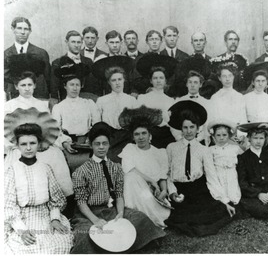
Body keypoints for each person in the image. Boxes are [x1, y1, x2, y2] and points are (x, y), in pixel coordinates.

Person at [71, 122, 166, 254]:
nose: (101, 147)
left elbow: (119, 195)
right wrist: (95, 220)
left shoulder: (115, 168)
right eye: (97, 144)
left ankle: (123, 244)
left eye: (105, 143)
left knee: (140, 219)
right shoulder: (81, 171)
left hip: (112, 210)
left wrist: (120, 213)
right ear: (91, 145)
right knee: (85, 235)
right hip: (89, 213)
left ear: (109, 145)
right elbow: (81, 202)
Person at [4, 54, 75, 217]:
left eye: (30, 84)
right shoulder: (9, 106)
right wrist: (10, 145)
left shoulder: (42, 105)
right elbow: (4, 131)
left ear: (35, 85)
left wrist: (63, 141)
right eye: (23, 85)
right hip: (18, 147)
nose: (27, 88)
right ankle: (22, 209)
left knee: (56, 156)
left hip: (41, 146)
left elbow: (51, 128)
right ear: (16, 86)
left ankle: (66, 207)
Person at [166, 101, 235, 237]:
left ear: (198, 129)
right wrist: (173, 193)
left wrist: (224, 201)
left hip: (198, 190)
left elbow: (211, 176)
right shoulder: (172, 148)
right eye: (185, 127)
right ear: (181, 129)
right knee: (181, 216)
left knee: (213, 212)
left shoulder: (204, 150)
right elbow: (168, 174)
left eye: (192, 127)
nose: (189, 131)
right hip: (181, 190)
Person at [4, 123, 73, 254]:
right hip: (22, 219)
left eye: (32, 143)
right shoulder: (12, 170)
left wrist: (55, 219)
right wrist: (21, 230)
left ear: (39, 144)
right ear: (17, 146)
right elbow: (8, 205)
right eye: (24, 144)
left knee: (60, 243)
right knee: (24, 248)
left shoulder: (45, 168)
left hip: (45, 216)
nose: (28, 148)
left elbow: (56, 199)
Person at [118, 106, 171, 228]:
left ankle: (149, 217)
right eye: (137, 134)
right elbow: (130, 170)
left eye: (144, 133)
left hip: (153, 194)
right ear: (133, 137)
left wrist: (163, 191)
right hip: (133, 191)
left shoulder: (159, 152)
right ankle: (134, 216)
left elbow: (163, 176)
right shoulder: (129, 149)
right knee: (130, 177)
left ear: (150, 135)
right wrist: (151, 180)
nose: (141, 137)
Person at [52, 59, 101, 172]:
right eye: (71, 85)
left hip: (88, 144)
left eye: (77, 85)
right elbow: (55, 130)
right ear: (65, 86)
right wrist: (64, 143)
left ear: (81, 86)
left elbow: (97, 125)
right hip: (68, 146)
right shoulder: (58, 107)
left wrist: (90, 139)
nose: (75, 88)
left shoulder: (89, 104)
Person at [92, 56, 137, 162]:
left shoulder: (131, 100)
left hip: (127, 137)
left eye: (119, 79)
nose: (117, 83)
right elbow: (97, 123)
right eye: (113, 80)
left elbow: (136, 122)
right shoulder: (102, 100)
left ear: (124, 80)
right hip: (110, 138)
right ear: (109, 82)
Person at [237, 122, 268, 220]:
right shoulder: (243, 158)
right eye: (255, 138)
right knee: (259, 209)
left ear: (265, 139)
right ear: (249, 138)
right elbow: (243, 182)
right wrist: (258, 194)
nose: (258, 141)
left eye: (261, 138)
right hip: (253, 193)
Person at [136, 53, 178, 148]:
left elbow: (172, 124)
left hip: (167, 136)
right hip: (150, 135)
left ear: (165, 80)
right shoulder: (143, 98)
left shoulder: (171, 100)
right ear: (151, 81)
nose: (158, 81)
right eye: (155, 78)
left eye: (161, 78)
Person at [4, 17, 51, 99]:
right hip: (15, 98)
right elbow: (4, 80)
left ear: (30, 31)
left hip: (38, 97)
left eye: (26, 29)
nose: (22, 32)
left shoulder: (41, 53)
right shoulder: (5, 55)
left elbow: (48, 78)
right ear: (13, 29)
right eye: (19, 28)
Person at [50, 30, 98, 100]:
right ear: (67, 42)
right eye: (73, 42)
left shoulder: (88, 62)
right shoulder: (57, 63)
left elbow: (93, 85)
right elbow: (54, 89)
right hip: (66, 103)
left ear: (82, 43)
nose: (76, 45)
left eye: (78, 42)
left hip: (86, 102)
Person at [208, 119, 242, 205]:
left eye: (224, 135)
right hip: (218, 174)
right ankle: (223, 202)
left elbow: (244, 157)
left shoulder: (235, 148)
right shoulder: (211, 150)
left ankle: (234, 202)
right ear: (214, 136)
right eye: (218, 135)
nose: (221, 138)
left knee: (233, 190)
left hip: (231, 173)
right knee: (220, 190)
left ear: (229, 135)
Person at [173, 70, 211, 145]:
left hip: (200, 139)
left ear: (200, 85)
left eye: (195, 82)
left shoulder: (206, 103)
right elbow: (173, 121)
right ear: (186, 84)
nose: (192, 85)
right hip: (182, 139)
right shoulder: (179, 101)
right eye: (190, 82)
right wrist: (179, 138)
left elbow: (208, 123)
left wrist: (199, 139)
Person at [209, 63, 247, 127]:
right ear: (219, 78)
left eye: (230, 76)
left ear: (233, 77)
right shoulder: (215, 97)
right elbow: (212, 119)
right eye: (224, 76)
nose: (227, 79)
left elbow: (243, 119)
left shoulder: (240, 97)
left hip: (237, 132)